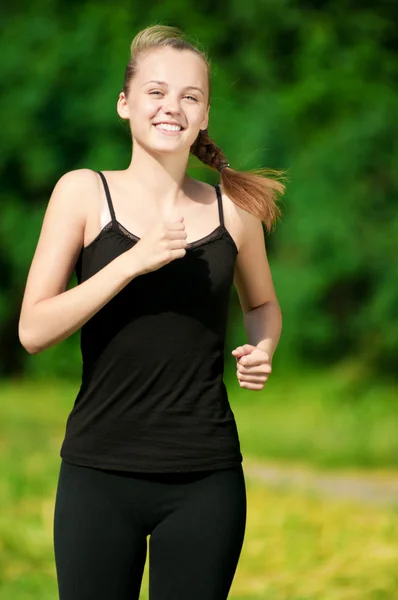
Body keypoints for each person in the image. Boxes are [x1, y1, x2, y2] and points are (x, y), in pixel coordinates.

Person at [18, 24, 284, 600]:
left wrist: (263, 346)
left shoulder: (233, 209)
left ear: (206, 113)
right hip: (98, 473)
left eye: (190, 96)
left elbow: (261, 303)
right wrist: (130, 262)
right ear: (125, 103)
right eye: (156, 92)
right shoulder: (83, 192)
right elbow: (33, 330)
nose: (173, 108)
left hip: (205, 478)